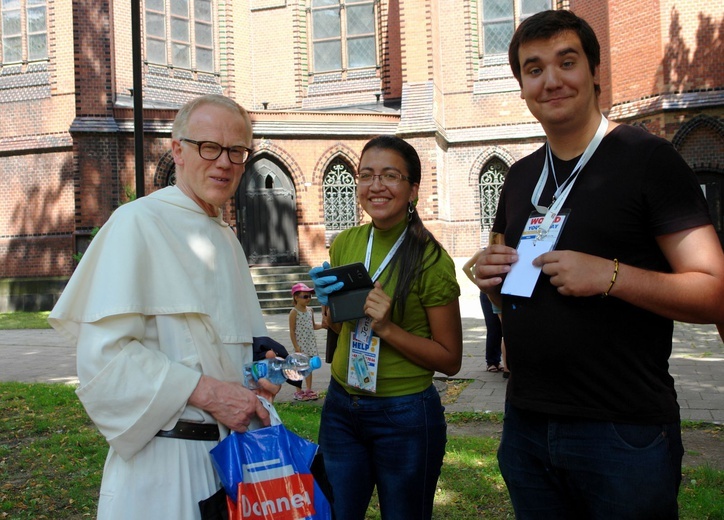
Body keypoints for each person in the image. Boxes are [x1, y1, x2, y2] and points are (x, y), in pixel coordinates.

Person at [471, 10, 724, 519]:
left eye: (567, 62)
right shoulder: (519, 178)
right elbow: (515, 294)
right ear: (522, 86)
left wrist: (610, 276)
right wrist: (491, 281)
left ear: (593, 72)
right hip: (526, 424)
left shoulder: (647, 159)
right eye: (534, 69)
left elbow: (714, 289)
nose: (552, 80)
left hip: (621, 431)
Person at [48, 94, 279, 520]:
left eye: (236, 151)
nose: (223, 162)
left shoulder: (225, 236)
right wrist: (212, 393)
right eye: (208, 147)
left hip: (232, 459)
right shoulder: (137, 223)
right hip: (166, 466)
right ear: (177, 150)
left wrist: (257, 372)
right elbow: (105, 361)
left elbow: (220, 345)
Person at [310, 135, 463, 519]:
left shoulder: (431, 260)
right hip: (341, 406)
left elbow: (451, 359)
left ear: (412, 189)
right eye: (366, 175)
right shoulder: (346, 243)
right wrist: (329, 311)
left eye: (390, 176)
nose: (376, 186)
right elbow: (339, 326)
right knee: (337, 513)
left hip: (405, 415)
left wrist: (388, 328)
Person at [463, 251, 504, 373]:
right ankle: (492, 361)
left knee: (502, 328)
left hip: (499, 292)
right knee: (493, 327)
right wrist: (477, 283)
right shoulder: (483, 252)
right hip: (487, 293)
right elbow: (465, 267)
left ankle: (499, 361)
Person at [289, 282, 323, 401]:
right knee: (299, 368)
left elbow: (313, 326)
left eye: (309, 296)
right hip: (300, 345)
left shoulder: (310, 310)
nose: (308, 299)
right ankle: (298, 391)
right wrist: (296, 346)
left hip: (310, 344)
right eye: (305, 296)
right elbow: (292, 331)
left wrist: (324, 326)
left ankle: (308, 389)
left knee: (309, 367)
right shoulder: (294, 312)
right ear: (296, 297)